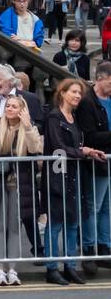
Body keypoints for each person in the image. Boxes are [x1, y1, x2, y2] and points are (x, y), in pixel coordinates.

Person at [45, 78, 104, 285]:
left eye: (80, 93)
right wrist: (83, 151)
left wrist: (86, 151)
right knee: (55, 225)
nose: (78, 96)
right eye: (74, 92)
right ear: (62, 94)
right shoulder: (54, 117)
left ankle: (70, 266)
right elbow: (58, 147)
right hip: (56, 177)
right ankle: (51, 268)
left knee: (72, 223)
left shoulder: (74, 117)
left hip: (74, 175)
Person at [0, 94, 42, 286]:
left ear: (22, 110)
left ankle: (13, 270)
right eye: (8, 106)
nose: (9, 109)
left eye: (14, 106)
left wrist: (28, 126)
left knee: (15, 228)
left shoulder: (29, 127)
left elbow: (35, 149)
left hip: (20, 184)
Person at [75, 62, 111, 272]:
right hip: (95, 163)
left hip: (108, 160)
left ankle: (104, 248)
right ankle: (88, 249)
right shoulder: (88, 102)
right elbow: (89, 136)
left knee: (106, 208)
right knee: (92, 207)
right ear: (99, 79)